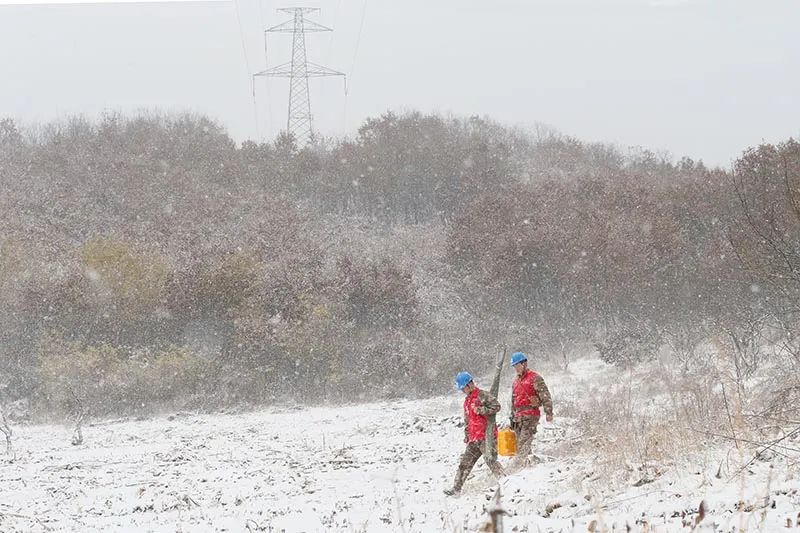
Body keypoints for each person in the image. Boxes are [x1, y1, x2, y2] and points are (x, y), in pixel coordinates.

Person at [444, 371, 506, 496]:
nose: (462, 391)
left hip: (486, 437)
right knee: (464, 464)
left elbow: (497, 406)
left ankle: (506, 482)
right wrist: (467, 434)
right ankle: (456, 489)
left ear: (469, 385)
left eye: (463, 388)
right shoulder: (467, 401)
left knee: (491, 461)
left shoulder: (482, 395)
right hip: (474, 439)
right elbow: (467, 420)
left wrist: (481, 410)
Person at [508, 352, 553, 469]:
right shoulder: (515, 381)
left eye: (517, 365)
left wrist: (549, 412)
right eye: (514, 366)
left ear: (524, 363)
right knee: (520, 444)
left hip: (531, 415)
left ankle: (517, 469)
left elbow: (545, 395)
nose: (516, 369)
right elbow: (513, 400)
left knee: (523, 444)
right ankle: (530, 467)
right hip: (518, 417)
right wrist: (512, 417)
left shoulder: (535, 378)